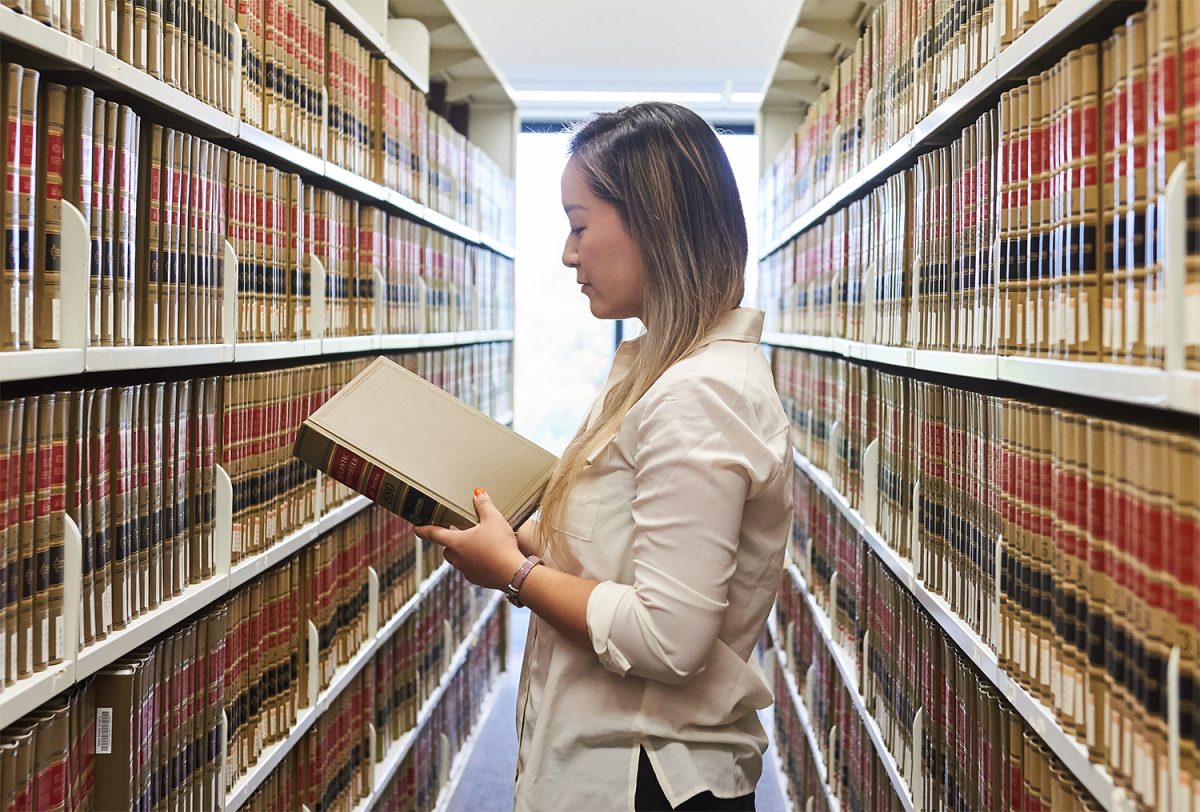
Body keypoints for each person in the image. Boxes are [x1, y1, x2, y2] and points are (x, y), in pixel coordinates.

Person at [415, 102, 793, 812]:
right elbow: (615, 558)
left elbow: (668, 636)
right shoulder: (656, 369)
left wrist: (516, 574)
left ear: (654, 223)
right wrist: (506, 534)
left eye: (580, 225)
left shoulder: (701, 395)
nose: (567, 253)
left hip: (650, 781)